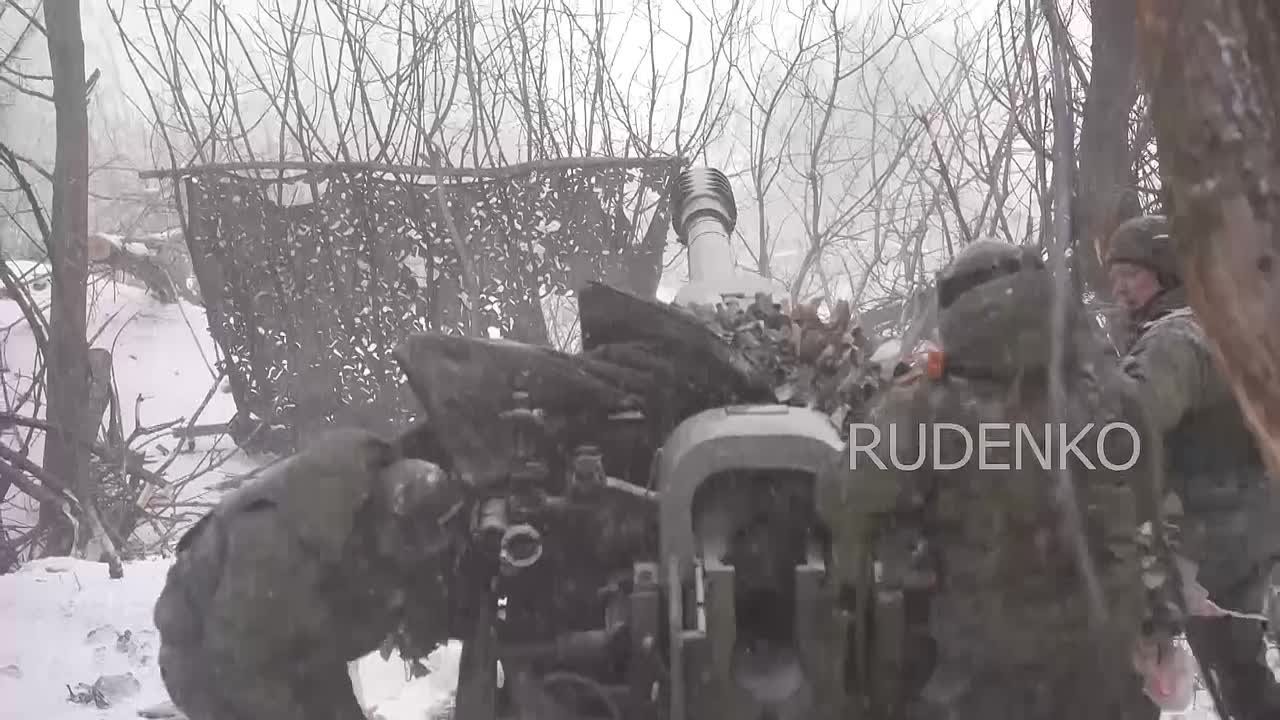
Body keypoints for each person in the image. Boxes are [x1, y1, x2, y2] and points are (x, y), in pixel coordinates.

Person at [817, 238, 1174, 719]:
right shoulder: (1115, 396)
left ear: (954, 309)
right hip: (1104, 666)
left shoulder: (924, 409)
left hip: (982, 673)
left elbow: (841, 496)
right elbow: (1149, 515)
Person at [152, 427, 459, 720]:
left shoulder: (358, 517)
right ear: (387, 521)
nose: (407, 556)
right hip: (206, 658)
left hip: (295, 650)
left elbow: (325, 645)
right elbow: (240, 663)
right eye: (408, 544)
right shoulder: (277, 540)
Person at [1106, 214, 1280, 719]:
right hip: (1245, 524)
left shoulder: (1173, 340)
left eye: (1131, 274)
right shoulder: (1223, 326)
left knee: (1238, 680)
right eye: (1113, 277)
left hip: (1212, 543)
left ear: (1166, 273)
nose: (1119, 289)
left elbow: (1126, 425)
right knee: (1242, 674)